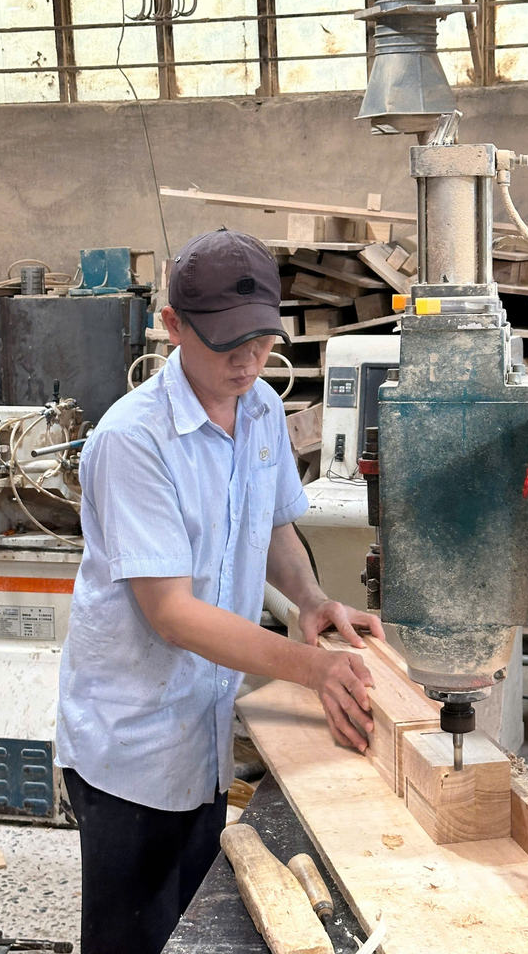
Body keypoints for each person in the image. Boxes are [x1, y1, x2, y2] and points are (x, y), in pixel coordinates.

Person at [55, 228, 385, 954]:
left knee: (194, 928)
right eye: (226, 343)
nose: (247, 361)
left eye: (261, 341)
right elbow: (172, 614)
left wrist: (311, 600)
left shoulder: (261, 407)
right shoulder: (134, 440)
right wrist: (311, 667)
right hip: (132, 745)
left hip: (203, 728)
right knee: (133, 937)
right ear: (173, 326)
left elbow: (272, 524)